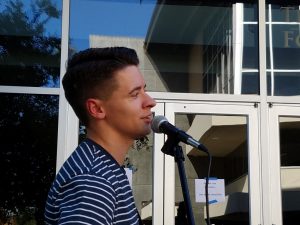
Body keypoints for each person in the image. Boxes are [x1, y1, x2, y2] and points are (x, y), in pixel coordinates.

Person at [44, 47, 156, 224]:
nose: (151, 101)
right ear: (96, 109)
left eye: (144, 90)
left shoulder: (103, 169)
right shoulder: (93, 181)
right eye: (135, 94)